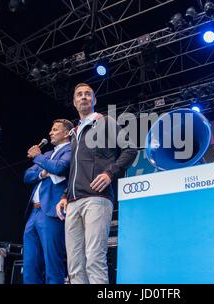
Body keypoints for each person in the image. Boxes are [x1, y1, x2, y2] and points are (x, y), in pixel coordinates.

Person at [56, 83, 137, 284]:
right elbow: (74, 169)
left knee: (94, 259)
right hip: (73, 202)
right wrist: (65, 196)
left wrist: (110, 173)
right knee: (74, 265)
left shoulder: (105, 122)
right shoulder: (74, 133)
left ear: (94, 100)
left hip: (97, 199)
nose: (83, 97)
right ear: (74, 102)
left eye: (87, 94)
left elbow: (130, 149)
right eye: (79, 95)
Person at [23, 119, 73, 284]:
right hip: (34, 212)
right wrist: (43, 172)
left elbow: (60, 167)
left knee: (52, 260)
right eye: (51, 129)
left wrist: (38, 158)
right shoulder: (45, 155)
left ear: (66, 133)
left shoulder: (71, 149)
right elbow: (27, 176)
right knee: (30, 262)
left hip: (51, 210)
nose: (50, 133)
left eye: (55, 130)